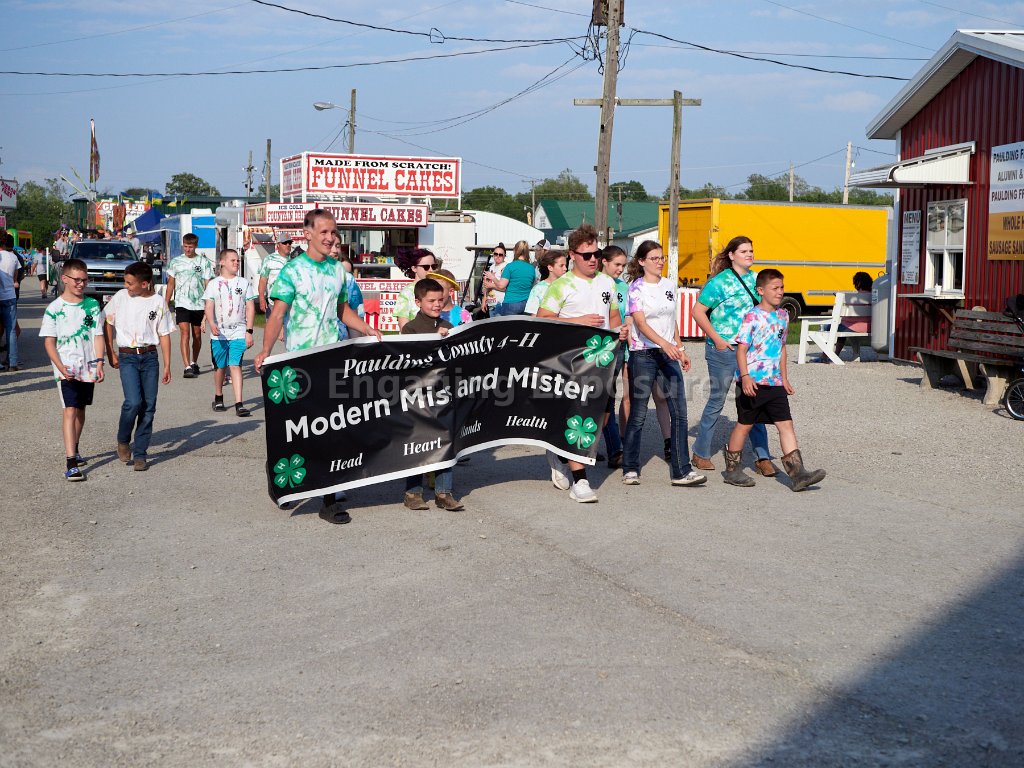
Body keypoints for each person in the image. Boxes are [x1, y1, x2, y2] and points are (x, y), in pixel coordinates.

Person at [254, 208, 382, 523]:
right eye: (323, 232)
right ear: (307, 233)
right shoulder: (292, 271)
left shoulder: (338, 271)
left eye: (333, 232)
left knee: (332, 429)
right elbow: (278, 314)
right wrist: (265, 351)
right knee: (296, 431)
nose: (329, 237)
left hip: (331, 359)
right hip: (300, 362)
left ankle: (329, 501)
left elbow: (342, 310)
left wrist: (366, 328)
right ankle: (283, 480)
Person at [537, 223, 623, 503]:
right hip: (572, 363)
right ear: (572, 255)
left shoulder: (607, 282)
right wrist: (578, 321)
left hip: (604, 360)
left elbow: (614, 317)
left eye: (597, 254)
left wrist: (620, 331)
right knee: (581, 418)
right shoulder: (561, 285)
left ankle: (558, 450)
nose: (593, 259)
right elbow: (542, 319)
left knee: (602, 418)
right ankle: (581, 481)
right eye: (587, 255)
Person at [724, 269, 826, 491]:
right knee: (744, 425)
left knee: (786, 424)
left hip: (775, 383)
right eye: (775, 288)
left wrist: (785, 378)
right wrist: (745, 377)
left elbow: (782, 348)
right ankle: (732, 470)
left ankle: (798, 474)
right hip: (752, 383)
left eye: (782, 288)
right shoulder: (752, 316)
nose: (780, 292)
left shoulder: (783, 316)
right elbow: (741, 350)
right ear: (761, 290)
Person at [620, 241, 706, 487]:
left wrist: (679, 348)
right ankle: (630, 467)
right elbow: (641, 323)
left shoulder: (669, 285)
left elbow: (671, 320)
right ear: (642, 261)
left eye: (662, 258)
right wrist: (663, 344)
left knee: (679, 412)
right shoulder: (636, 288)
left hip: (668, 354)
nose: (660, 262)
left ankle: (681, 471)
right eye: (654, 258)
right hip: (643, 355)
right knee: (638, 414)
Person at [690, 236, 777, 477]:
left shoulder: (758, 280)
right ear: (731, 255)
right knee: (717, 400)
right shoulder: (719, 282)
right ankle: (700, 452)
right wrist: (718, 339)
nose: (749, 254)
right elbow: (698, 312)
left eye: (751, 250)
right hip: (725, 349)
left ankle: (762, 457)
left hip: (751, 351)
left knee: (754, 401)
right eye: (743, 251)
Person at [103, 261, 175, 472]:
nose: (126, 286)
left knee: (148, 406)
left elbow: (164, 334)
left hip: (149, 357)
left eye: (130, 283)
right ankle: (123, 439)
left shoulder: (158, 302)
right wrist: (110, 351)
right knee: (133, 402)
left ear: (144, 284)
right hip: (127, 357)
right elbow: (107, 322)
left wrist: (167, 364)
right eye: (125, 282)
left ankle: (141, 453)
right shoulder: (120, 297)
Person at [39, 258, 106, 481]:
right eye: (77, 280)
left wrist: (100, 361)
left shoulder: (93, 305)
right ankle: (71, 463)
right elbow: (49, 342)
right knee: (70, 409)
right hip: (66, 368)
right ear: (64, 279)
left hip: (88, 367)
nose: (81, 284)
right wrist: (60, 367)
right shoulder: (54, 309)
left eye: (84, 280)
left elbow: (98, 335)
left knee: (81, 409)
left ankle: (75, 448)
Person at [400, 278, 464, 511]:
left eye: (440, 300)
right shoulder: (411, 329)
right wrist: (434, 339)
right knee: (417, 443)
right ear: (418, 302)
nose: (437, 304)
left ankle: (444, 492)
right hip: (418, 396)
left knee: (445, 441)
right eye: (431, 301)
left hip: (443, 394)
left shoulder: (448, 325)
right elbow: (409, 361)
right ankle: (413, 493)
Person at [203, 249, 257, 417]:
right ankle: (218, 396)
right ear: (222, 262)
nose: (236, 263)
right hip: (219, 333)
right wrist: (211, 323)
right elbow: (209, 306)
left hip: (239, 331)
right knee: (220, 367)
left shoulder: (243, 283)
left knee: (235, 365)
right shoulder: (213, 284)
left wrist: (249, 331)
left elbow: (250, 307)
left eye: (238, 260)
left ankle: (239, 403)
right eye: (232, 260)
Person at [165, 232, 214, 379]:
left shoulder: (203, 262)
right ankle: (186, 366)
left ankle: (194, 362)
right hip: (182, 302)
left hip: (198, 303)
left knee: (197, 335)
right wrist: (165, 303)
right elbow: (171, 283)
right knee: (184, 332)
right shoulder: (176, 262)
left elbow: (208, 284)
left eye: (190, 247)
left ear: (196, 246)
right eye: (185, 246)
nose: (188, 249)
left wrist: (210, 302)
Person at [826, 271, 874, 361]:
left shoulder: (852, 297)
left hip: (854, 327)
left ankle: (826, 355)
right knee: (841, 327)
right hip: (870, 327)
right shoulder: (874, 296)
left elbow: (848, 317)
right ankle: (834, 354)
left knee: (830, 327)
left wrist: (843, 319)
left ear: (858, 283)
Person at [483, 239, 536, 316]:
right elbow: (533, 287)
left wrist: (493, 277)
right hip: (526, 304)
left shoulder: (510, 266)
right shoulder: (531, 268)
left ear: (515, 251)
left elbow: (501, 285)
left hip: (511, 303)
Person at [393, 248, 439, 331]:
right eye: (426, 267)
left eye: (434, 266)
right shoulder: (406, 293)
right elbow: (404, 327)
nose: (431, 270)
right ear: (414, 268)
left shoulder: (439, 288)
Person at [258, 234, 293, 321]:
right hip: (273, 303)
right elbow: (263, 280)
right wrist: (262, 298)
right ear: (278, 245)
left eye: (289, 243)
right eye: (285, 243)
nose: (288, 245)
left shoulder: (294, 260)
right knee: (273, 328)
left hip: (291, 304)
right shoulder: (269, 259)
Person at [0, 233, 22, 372]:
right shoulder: (13, 257)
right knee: (11, 330)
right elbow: (15, 279)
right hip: (10, 296)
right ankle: (12, 362)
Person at [525, 249, 567, 315]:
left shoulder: (569, 286)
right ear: (550, 267)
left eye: (565, 265)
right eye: (561, 265)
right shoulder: (538, 289)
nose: (565, 269)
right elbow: (534, 316)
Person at [481, 243, 507, 315]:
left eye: (500, 255)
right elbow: (487, 285)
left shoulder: (506, 267)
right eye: (496, 254)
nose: (498, 256)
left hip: (500, 303)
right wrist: (484, 299)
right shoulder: (492, 267)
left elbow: (506, 288)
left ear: (504, 256)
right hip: (491, 303)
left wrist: (492, 285)